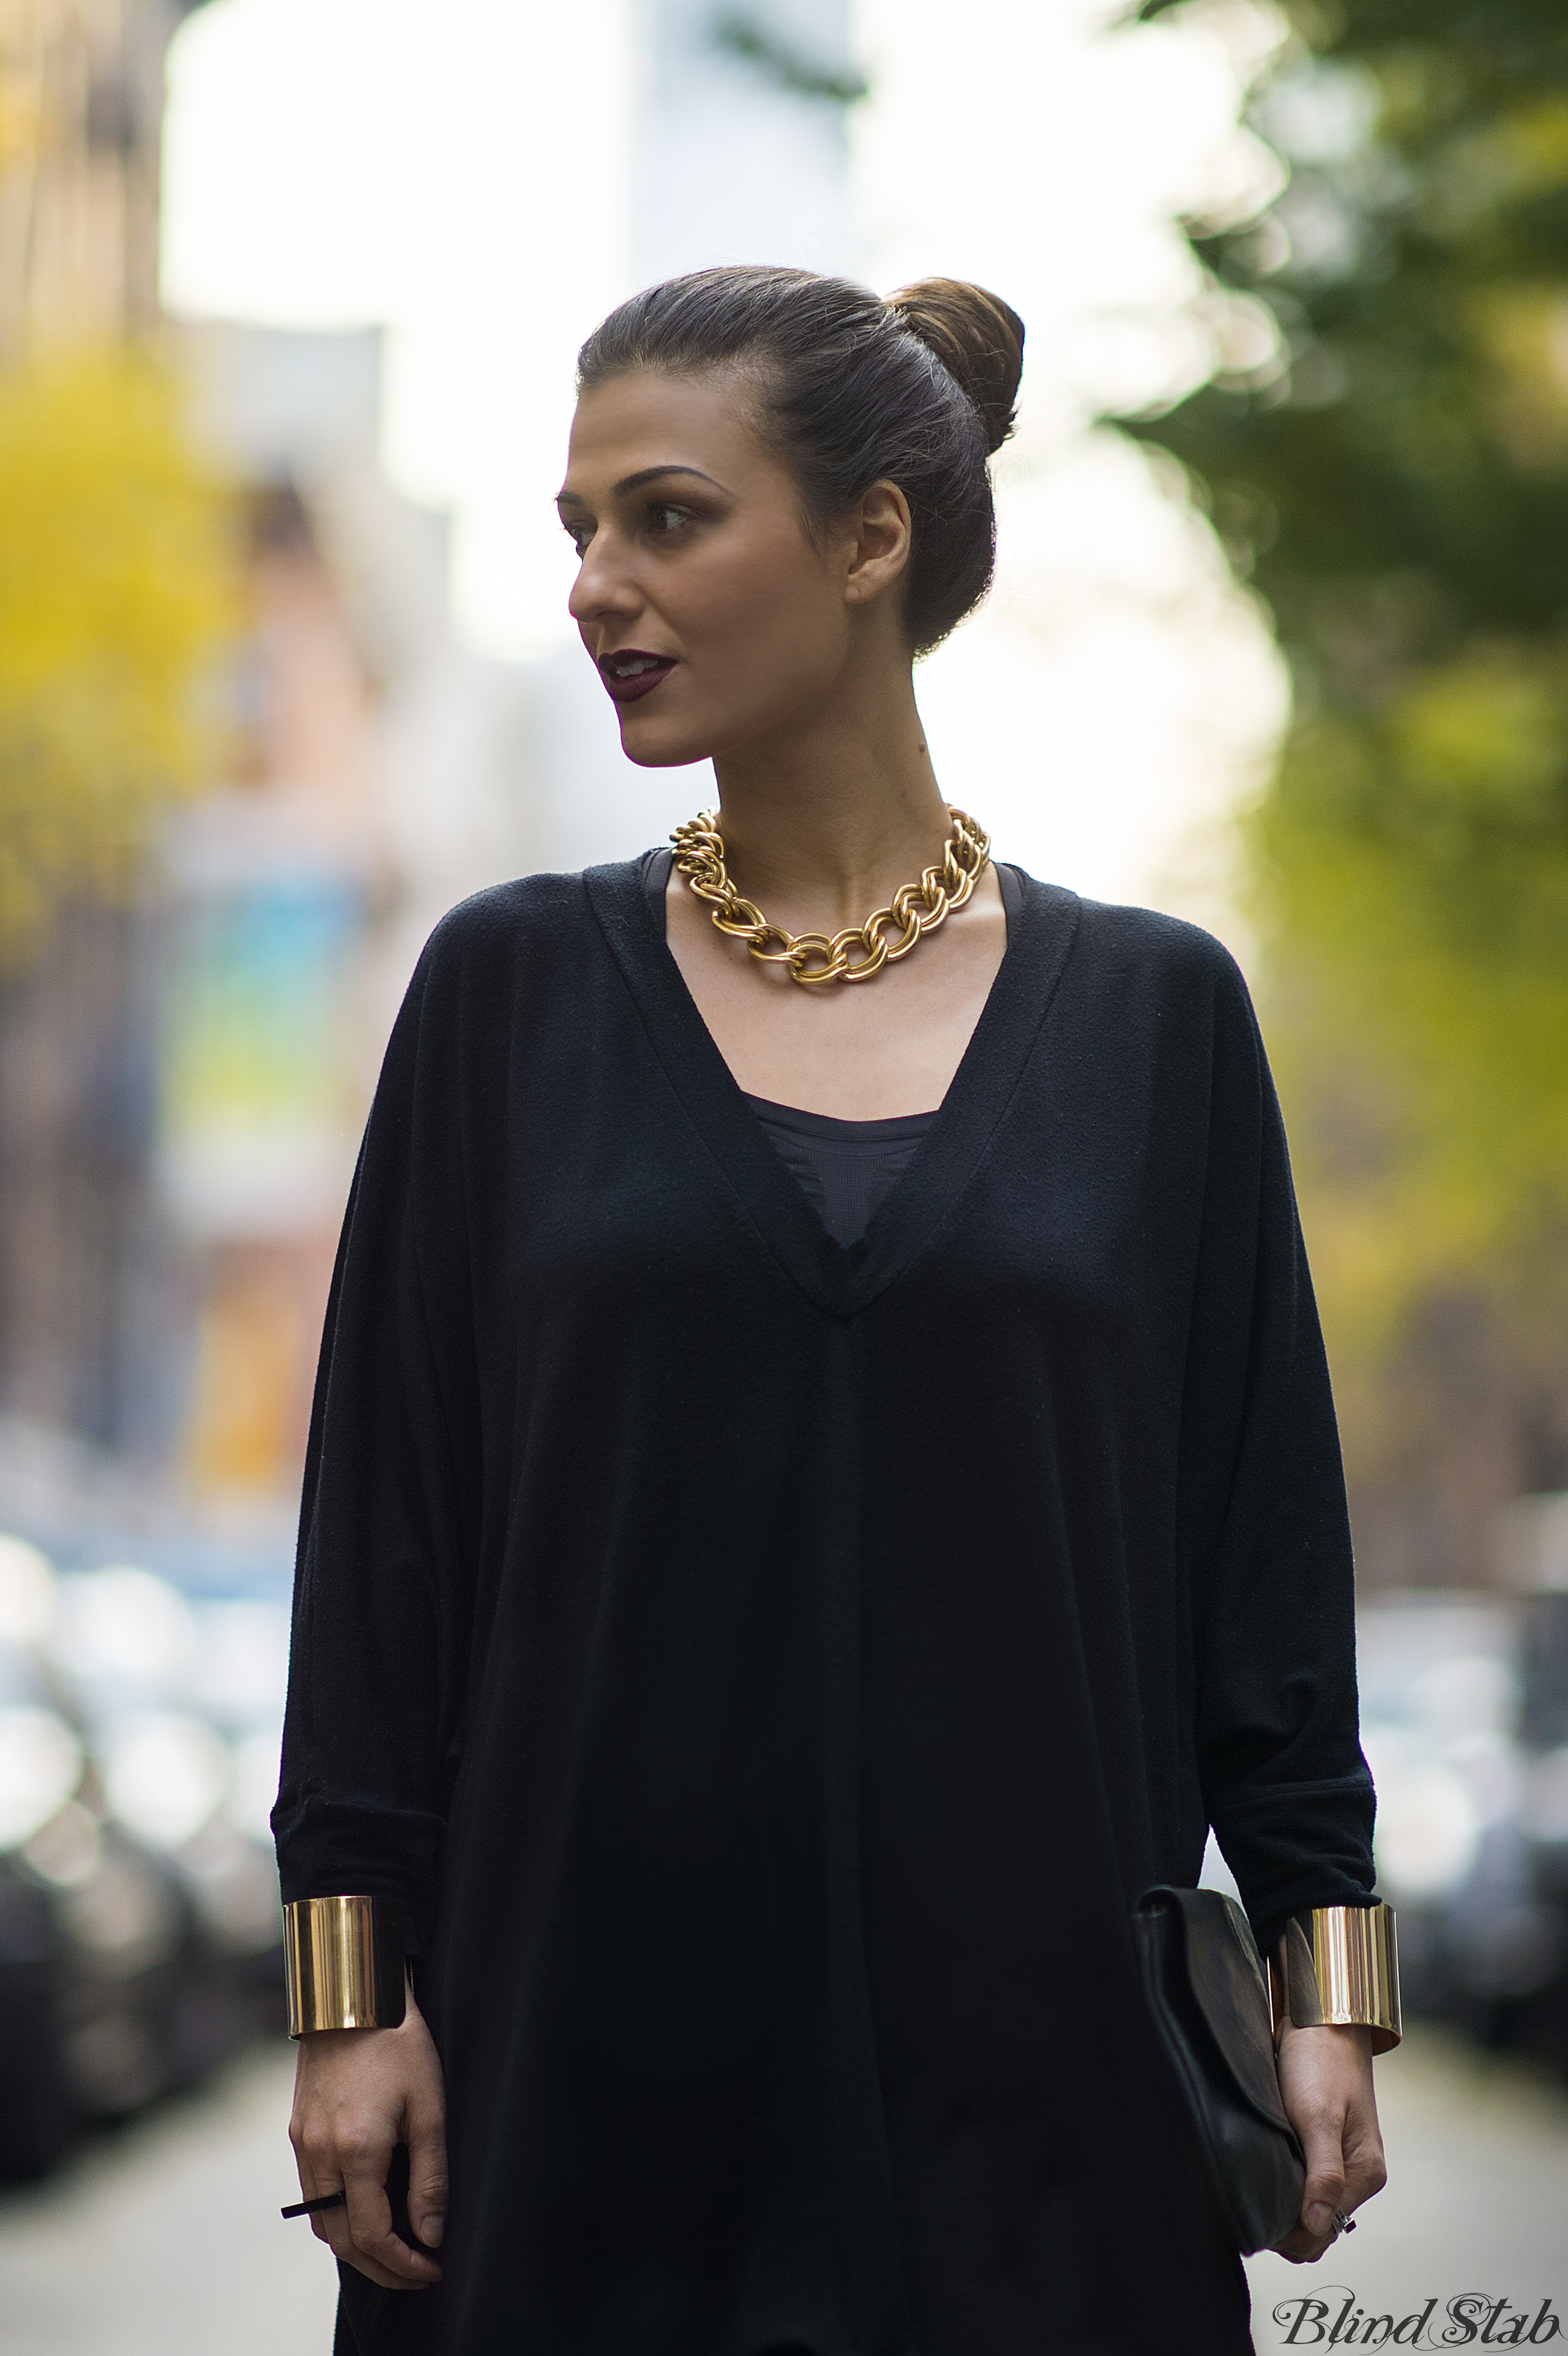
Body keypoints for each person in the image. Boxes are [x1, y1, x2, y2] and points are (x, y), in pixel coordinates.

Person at [275, 266, 1393, 2356]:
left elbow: (1265, 1571)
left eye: (668, 517)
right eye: (579, 531)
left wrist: (1329, 1988)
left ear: (872, 536)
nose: (601, 583)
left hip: (1050, 2117)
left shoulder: (1158, 1024)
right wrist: (351, 1997)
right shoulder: (503, 995)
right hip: (565, 2090)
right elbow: (383, 1556)